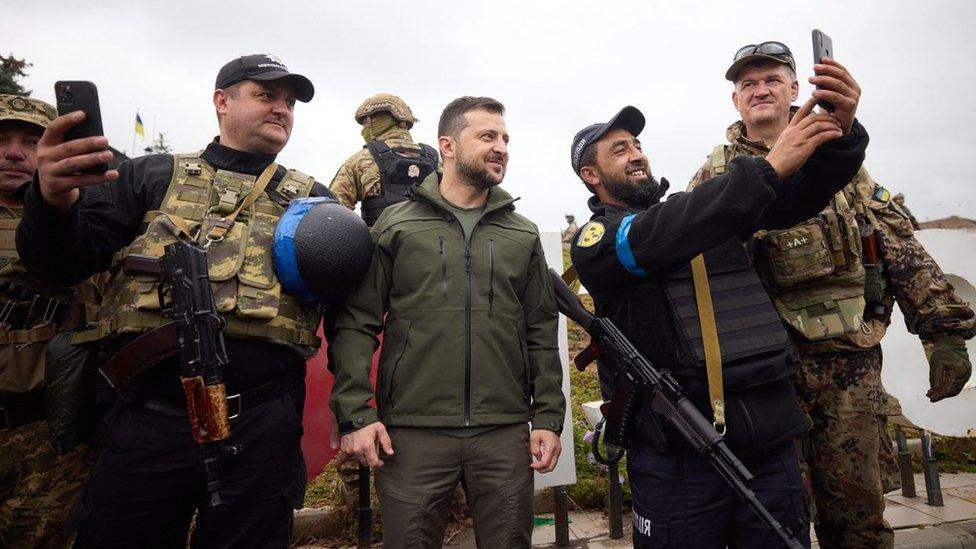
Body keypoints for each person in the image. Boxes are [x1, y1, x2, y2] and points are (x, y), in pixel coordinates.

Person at [16, 54, 336, 548]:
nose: (282, 109)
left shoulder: (314, 201)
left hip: (260, 427)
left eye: (290, 103)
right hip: (148, 421)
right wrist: (52, 203)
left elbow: (345, 306)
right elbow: (60, 265)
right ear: (221, 101)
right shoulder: (148, 176)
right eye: (266, 95)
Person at [688, 42, 975, 548]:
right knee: (778, 514)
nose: (760, 89)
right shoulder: (715, 176)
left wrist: (942, 332)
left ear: (796, 90)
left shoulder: (840, 159)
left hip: (850, 365)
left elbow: (896, 243)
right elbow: (692, 270)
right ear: (735, 101)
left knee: (857, 512)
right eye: (747, 83)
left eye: (772, 79)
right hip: (767, 375)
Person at [570, 59, 867, 547]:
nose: (637, 154)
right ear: (590, 175)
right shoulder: (599, 240)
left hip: (767, 441)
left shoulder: (702, 213)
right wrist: (767, 167)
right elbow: (656, 237)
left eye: (638, 144)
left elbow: (793, 197)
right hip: (681, 455)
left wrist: (844, 131)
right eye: (619, 149)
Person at [331, 96, 565, 548]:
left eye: (505, 138)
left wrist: (549, 417)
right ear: (448, 146)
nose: (501, 147)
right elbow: (357, 323)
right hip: (412, 435)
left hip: (502, 434)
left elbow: (540, 328)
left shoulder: (521, 232)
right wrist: (356, 413)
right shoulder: (396, 227)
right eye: (487, 136)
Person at [0, 94, 100, 549]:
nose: (14, 152)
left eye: (31, 141)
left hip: (48, 438)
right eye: (2, 141)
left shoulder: (88, 223)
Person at [330, 93, 439, 226]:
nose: (363, 129)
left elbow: (333, 213)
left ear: (380, 120)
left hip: (379, 245)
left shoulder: (362, 160)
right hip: (437, 245)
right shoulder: (436, 160)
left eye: (365, 122)